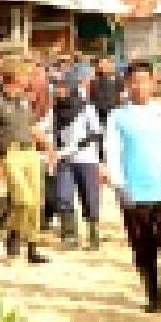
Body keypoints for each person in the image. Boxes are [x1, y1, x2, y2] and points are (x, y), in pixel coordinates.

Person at [105, 62, 161, 312]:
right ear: (127, 84)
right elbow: (112, 152)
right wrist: (120, 186)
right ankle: (152, 294)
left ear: (153, 83)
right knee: (143, 244)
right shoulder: (117, 116)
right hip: (134, 190)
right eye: (134, 81)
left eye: (145, 81)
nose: (140, 86)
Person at [0, 57, 51, 264]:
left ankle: (31, 247)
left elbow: (30, 127)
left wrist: (48, 146)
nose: (28, 78)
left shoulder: (23, 100)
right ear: (13, 77)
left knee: (36, 202)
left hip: (30, 152)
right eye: (25, 74)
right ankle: (13, 236)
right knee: (23, 199)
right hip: (11, 154)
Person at [53, 66, 103, 250]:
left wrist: (80, 145)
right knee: (63, 195)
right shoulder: (57, 109)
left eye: (62, 87)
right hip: (64, 159)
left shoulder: (87, 108)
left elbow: (97, 133)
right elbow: (54, 133)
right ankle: (69, 236)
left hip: (86, 158)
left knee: (89, 197)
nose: (59, 90)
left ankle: (93, 236)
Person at [89, 56, 122, 127]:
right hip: (100, 114)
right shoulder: (94, 81)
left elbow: (121, 95)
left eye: (105, 63)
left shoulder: (118, 79)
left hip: (115, 113)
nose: (102, 66)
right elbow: (92, 98)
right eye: (100, 64)